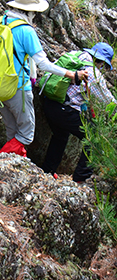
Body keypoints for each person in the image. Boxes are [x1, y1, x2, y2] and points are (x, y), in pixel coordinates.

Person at [0, 0, 87, 158]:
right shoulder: (26, 31)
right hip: (18, 88)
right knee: (26, 134)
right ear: (32, 11)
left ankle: (15, 162)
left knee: (12, 131)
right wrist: (71, 74)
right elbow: (43, 64)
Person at [41, 43, 116, 183]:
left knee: (60, 135)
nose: (103, 69)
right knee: (94, 138)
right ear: (101, 61)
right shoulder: (92, 72)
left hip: (49, 102)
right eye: (105, 66)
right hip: (64, 110)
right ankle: (81, 178)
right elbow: (108, 102)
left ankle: (48, 171)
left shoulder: (76, 56)